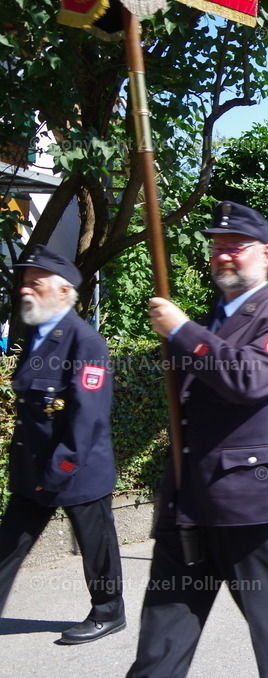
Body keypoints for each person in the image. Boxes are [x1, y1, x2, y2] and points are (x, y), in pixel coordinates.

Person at [130, 202, 268, 677]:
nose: (224, 255)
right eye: (217, 247)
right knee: (162, 634)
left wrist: (182, 331)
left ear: (266, 255)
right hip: (186, 494)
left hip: (245, 500)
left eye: (236, 247)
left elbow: (247, 379)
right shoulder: (209, 320)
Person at [0, 245, 124, 645]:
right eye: (25, 282)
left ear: (65, 292)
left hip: (75, 471)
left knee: (96, 546)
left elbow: (87, 419)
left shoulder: (84, 342)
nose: (25, 290)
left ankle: (108, 612)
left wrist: (59, 472)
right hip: (32, 470)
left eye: (36, 283)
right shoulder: (37, 333)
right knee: (6, 549)